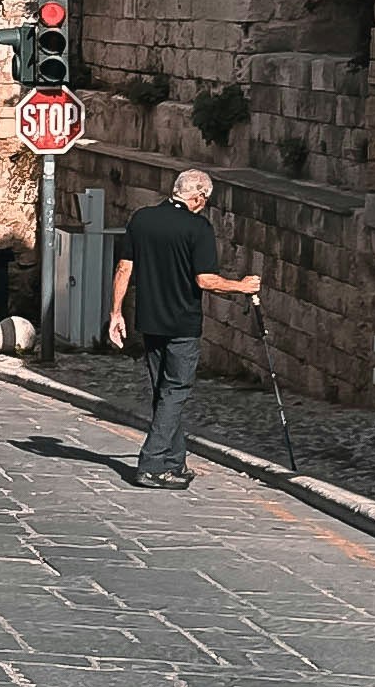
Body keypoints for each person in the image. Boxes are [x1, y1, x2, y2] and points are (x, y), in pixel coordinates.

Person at [107, 168, 261, 489]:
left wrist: (115, 312)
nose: (204, 205)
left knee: (164, 394)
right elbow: (206, 280)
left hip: (150, 321)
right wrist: (242, 286)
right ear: (198, 197)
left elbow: (124, 268)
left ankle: (174, 461)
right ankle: (151, 464)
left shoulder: (142, 219)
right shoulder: (198, 227)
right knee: (176, 391)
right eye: (205, 200)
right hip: (182, 324)